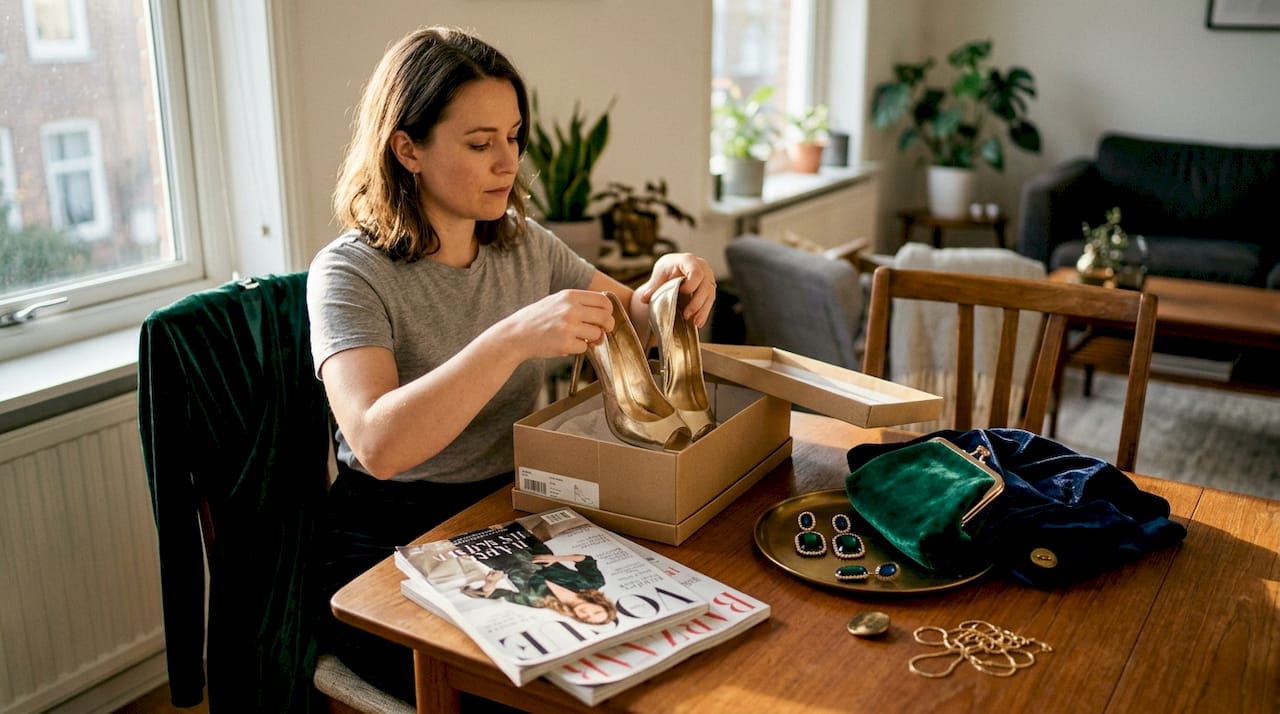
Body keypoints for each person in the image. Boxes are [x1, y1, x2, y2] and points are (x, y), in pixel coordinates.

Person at [306, 25, 716, 703]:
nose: (509, 163)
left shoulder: (526, 246)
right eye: (480, 143)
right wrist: (510, 338)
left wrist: (671, 285)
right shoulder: (348, 275)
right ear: (406, 148)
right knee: (534, 692)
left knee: (634, 663)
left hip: (507, 512)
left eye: (514, 137)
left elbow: (630, 322)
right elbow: (377, 443)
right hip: (386, 541)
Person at [463, 549, 617, 626]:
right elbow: (586, 560)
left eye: (587, 618)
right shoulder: (594, 583)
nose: (587, 613)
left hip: (503, 561)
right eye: (596, 612)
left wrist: (491, 582)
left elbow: (494, 594)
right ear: (601, 605)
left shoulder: (539, 602)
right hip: (534, 549)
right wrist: (556, 558)